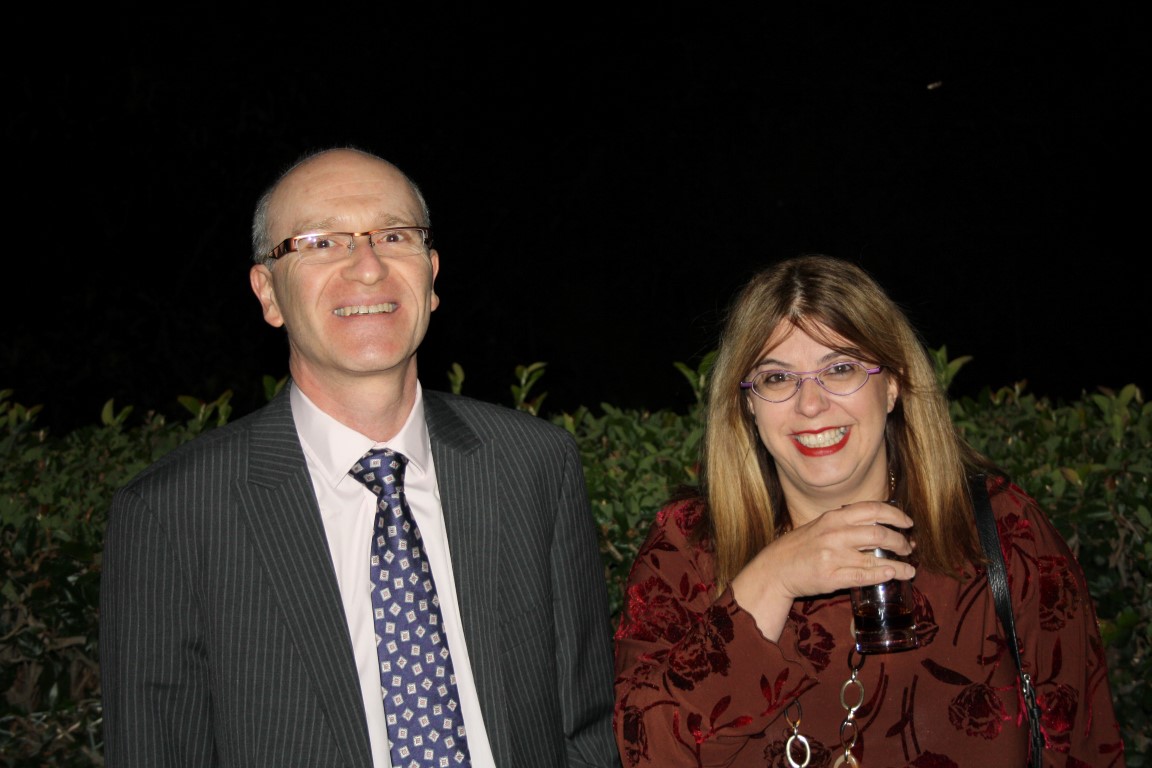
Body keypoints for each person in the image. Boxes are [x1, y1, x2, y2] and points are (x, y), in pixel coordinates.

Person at [99, 146, 621, 768]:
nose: (368, 268)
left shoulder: (535, 465)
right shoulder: (173, 514)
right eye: (321, 242)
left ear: (431, 276)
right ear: (268, 293)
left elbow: (585, 727)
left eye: (394, 236)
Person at [612, 254, 1125, 767]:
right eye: (777, 377)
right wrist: (771, 580)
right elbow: (643, 749)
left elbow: (1086, 745)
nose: (810, 405)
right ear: (748, 401)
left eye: (841, 369)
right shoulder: (689, 549)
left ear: (893, 383)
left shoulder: (1000, 530)